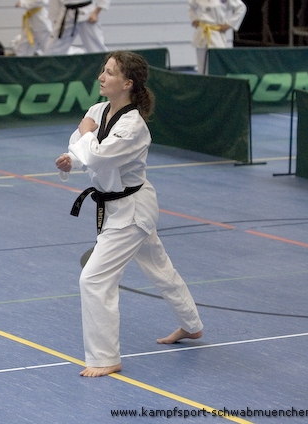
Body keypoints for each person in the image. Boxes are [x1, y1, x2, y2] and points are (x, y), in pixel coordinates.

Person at [55, 51, 204, 377]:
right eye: (103, 70)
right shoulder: (98, 111)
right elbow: (82, 149)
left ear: (127, 83)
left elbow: (98, 155)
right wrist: (71, 160)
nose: (101, 76)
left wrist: (85, 136)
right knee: (160, 268)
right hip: (117, 206)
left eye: (109, 72)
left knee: (94, 279)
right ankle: (192, 326)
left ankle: (105, 358)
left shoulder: (134, 125)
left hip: (131, 212)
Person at [188, 0, 246, 74]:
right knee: (202, 65)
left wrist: (229, 24)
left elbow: (241, 7)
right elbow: (191, 7)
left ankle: (217, 80)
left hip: (217, 32)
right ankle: (202, 79)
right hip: (202, 32)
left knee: (218, 62)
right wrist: (194, 19)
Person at [44, 0, 108, 56]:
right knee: (52, 48)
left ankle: (106, 65)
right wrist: (55, 18)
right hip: (66, 14)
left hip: (87, 14)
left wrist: (96, 12)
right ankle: (51, 65)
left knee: (96, 47)